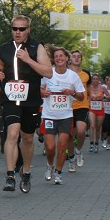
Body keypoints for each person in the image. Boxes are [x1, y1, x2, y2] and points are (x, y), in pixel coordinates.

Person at [0, 16, 52, 194]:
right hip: (10, 98)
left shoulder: (36, 47)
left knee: (27, 138)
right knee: (12, 132)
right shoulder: (5, 48)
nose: (18, 32)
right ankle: (10, 175)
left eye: (22, 29)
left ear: (28, 30)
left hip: (31, 99)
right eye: (15, 28)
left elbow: (48, 72)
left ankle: (26, 172)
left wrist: (28, 59)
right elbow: (0, 64)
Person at [40, 48, 85, 185]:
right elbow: (39, 91)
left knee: (62, 145)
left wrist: (72, 92)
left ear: (67, 58)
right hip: (49, 115)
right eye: (56, 56)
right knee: (50, 146)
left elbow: (81, 97)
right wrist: (43, 93)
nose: (59, 58)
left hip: (66, 116)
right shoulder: (48, 73)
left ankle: (58, 173)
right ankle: (49, 165)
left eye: (61, 56)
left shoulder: (73, 76)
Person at [67, 51, 91, 171]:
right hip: (68, 106)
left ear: (81, 59)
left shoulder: (86, 74)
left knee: (81, 131)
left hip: (82, 105)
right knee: (70, 136)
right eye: (74, 56)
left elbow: (89, 90)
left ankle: (78, 151)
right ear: (70, 59)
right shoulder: (65, 73)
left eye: (78, 57)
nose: (76, 58)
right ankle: (71, 159)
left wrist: (89, 101)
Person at [86, 73, 110, 153]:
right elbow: (85, 96)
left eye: (96, 79)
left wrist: (104, 97)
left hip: (100, 108)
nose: (95, 80)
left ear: (98, 80)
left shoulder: (103, 88)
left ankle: (96, 143)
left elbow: (109, 96)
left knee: (98, 127)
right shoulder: (89, 88)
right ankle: (91, 144)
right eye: (93, 79)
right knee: (92, 126)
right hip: (91, 108)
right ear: (92, 80)